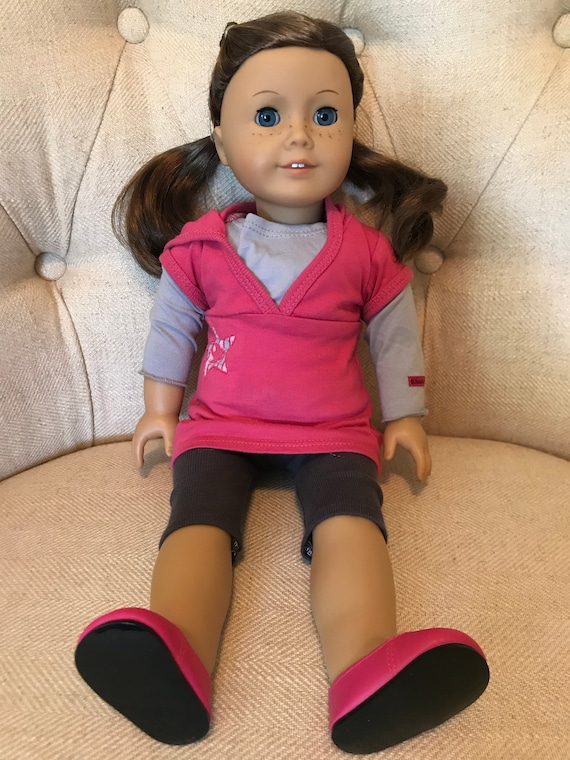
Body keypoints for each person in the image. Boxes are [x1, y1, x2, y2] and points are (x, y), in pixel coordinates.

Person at [74, 11, 489, 754]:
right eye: (267, 116)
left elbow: (394, 339)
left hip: (333, 432)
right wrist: (159, 407)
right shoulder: (201, 248)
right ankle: (174, 651)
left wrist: (405, 417)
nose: (299, 136)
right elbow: (173, 329)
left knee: (350, 523)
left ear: (350, 132)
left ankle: (365, 668)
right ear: (222, 139)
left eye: (324, 116)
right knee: (198, 521)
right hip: (221, 427)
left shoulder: (365, 253)